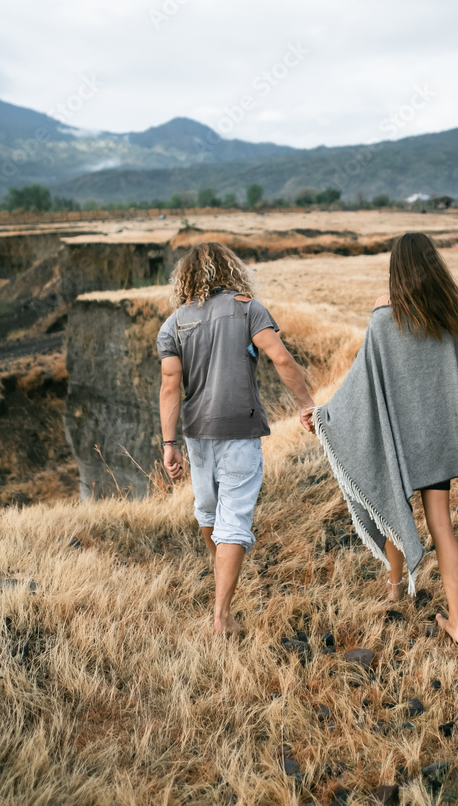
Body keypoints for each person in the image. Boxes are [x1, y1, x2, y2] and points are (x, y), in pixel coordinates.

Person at [313, 232, 458, 644]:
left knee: (393, 505)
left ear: (396, 271)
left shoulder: (383, 322)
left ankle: (395, 588)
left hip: (400, 443)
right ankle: (457, 624)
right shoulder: (453, 317)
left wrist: (324, 417)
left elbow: (359, 388)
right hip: (439, 443)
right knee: (441, 526)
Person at [157, 242, 315, 636]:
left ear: (186, 278)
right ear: (231, 269)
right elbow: (281, 358)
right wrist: (307, 403)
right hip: (240, 429)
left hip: (196, 431)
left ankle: (223, 589)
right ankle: (222, 615)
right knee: (233, 520)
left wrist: (168, 444)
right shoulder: (248, 308)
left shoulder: (173, 323)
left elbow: (170, 385)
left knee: (209, 513)